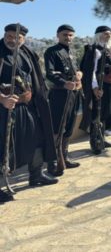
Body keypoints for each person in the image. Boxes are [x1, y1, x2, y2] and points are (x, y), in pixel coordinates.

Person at [0, 23, 58, 203]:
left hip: (28, 106)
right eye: (9, 36)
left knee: (38, 138)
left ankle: (36, 175)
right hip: (5, 108)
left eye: (16, 37)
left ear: (23, 39)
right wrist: (2, 99)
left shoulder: (26, 53)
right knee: (3, 146)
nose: (12, 40)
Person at [44, 24, 82, 176]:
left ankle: (64, 158)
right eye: (65, 35)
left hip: (73, 94)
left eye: (71, 35)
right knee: (57, 128)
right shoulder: (51, 51)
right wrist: (65, 83)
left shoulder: (72, 51)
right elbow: (50, 73)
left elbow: (75, 70)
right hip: (59, 95)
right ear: (58, 35)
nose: (68, 37)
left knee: (69, 127)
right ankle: (54, 163)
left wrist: (79, 74)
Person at [80, 26, 111, 147]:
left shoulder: (106, 50)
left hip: (109, 86)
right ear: (99, 35)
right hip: (99, 86)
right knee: (97, 113)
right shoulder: (94, 50)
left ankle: (101, 138)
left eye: (110, 34)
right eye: (106, 34)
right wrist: (95, 87)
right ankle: (95, 142)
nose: (109, 36)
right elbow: (91, 71)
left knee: (103, 114)